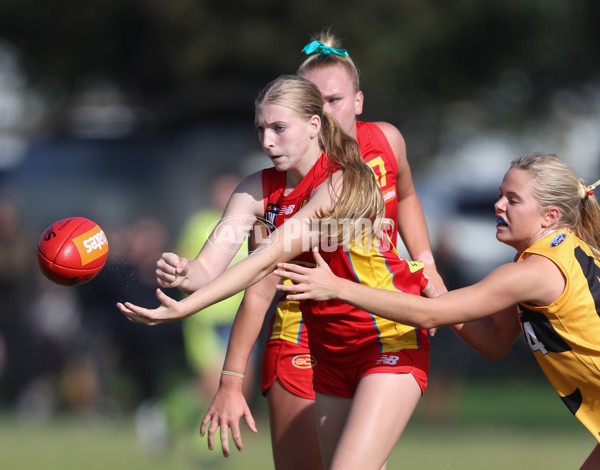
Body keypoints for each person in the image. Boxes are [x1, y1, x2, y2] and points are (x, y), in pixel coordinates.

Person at [117, 74, 438, 470]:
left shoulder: (343, 182)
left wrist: (186, 309)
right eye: (261, 129)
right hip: (328, 350)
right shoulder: (255, 189)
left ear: (314, 125)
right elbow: (208, 267)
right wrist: (183, 274)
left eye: (279, 128)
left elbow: (264, 261)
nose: (267, 142)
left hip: (386, 336)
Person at [200, 31, 445, 470]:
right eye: (315, 101)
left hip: (380, 321)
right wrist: (231, 377)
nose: (325, 111)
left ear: (359, 101)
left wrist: (425, 262)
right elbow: (258, 281)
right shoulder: (274, 186)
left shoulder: (381, 147)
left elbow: (406, 196)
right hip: (304, 330)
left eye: (334, 100)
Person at [274, 153, 600, 470]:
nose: (498, 205)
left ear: (550, 216)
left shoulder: (535, 271)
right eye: (501, 195)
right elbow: (494, 342)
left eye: (513, 200)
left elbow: (429, 316)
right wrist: (437, 292)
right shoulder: (565, 254)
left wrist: (338, 287)